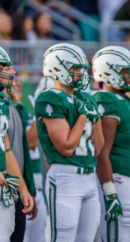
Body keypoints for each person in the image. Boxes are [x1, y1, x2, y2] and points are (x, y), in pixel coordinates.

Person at [35, 43, 103, 242]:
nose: (81, 73)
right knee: (62, 238)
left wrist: (95, 117)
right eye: (75, 68)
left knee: (87, 239)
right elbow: (66, 147)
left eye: (82, 68)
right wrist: (83, 116)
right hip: (66, 177)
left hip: (90, 176)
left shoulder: (86, 98)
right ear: (58, 68)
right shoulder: (50, 98)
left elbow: (97, 147)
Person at [92, 46, 130, 242]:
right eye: (125, 71)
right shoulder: (106, 98)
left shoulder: (126, 100)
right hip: (118, 179)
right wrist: (109, 190)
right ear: (108, 71)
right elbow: (101, 151)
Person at [0, 46, 34, 242]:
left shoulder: (5, 105)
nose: (12, 73)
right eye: (4, 67)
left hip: (7, 185)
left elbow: (8, 151)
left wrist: (22, 189)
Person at [13, 76, 47, 242]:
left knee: (38, 238)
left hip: (34, 186)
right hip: (19, 188)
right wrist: (38, 115)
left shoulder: (22, 110)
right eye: (14, 80)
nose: (18, 83)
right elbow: (31, 142)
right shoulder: (10, 111)